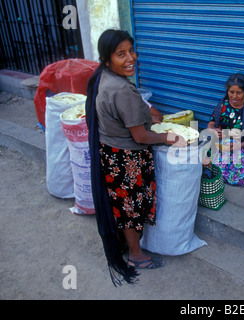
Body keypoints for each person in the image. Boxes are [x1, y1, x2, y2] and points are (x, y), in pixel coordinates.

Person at [85, 29, 186, 285]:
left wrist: (148, 112)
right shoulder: (121, 90)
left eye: (131, 51)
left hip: (111, 154)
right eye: (121, 54)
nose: (130, 58)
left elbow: (126, 114)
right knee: (129, 209)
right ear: (107, 59)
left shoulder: (103, 78)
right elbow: (140, 137)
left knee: (123, 207)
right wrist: (169, 137)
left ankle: (130, 246)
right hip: (126, 159)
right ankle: (136, 255)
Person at [206, 73, 244, 186]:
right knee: (215, 163)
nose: (234, 96)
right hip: (223, 144)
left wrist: (239, 145)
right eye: (231, 92)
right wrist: (213, 130)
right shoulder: (223, 106)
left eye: (239, 93)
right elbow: (211, 124)